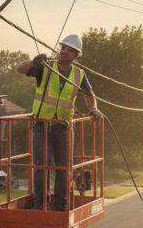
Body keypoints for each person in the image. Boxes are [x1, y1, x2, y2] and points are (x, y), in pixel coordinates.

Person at [15, 34, 101, 212]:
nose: (64, 51)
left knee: (63, 168)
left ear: (76, 55)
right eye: (63, 47)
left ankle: (61, 205)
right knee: (42, 167)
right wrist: (34, 61)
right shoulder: (45, 67)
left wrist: (94, 108)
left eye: (69, 50)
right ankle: (41, 205)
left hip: (63, 126)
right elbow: (20, 69)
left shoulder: (79, 74)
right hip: (41, 125)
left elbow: (88, 94)